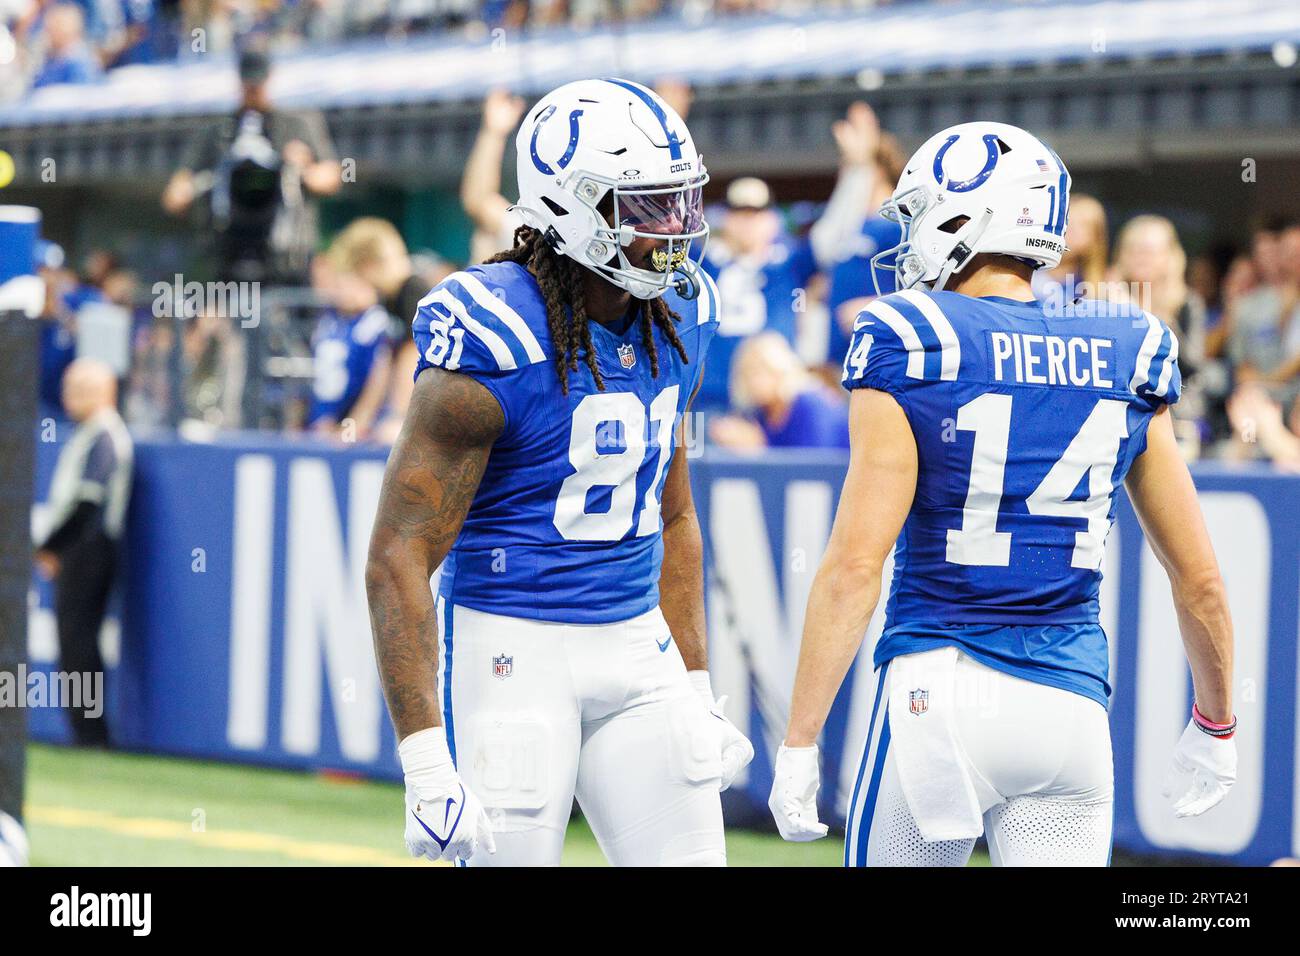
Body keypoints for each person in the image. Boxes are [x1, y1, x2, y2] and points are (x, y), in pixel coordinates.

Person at [768, 122, 1237, 866]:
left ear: (967, 218)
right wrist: (1217, 724)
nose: (911, 237)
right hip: (1070, 712)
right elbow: (1200, 580)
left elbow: (855, 567)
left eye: (922, 214)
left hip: (938, 691)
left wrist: (800, 740)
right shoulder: (1128, 344)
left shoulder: (912, 335)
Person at [366, 78, 753, 868]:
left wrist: (696, 684)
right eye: (647, 207)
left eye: (680, 201)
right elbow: (398, 553)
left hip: (638, 649)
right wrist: (425, 762)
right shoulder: (495, 331)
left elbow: (673, 513)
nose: (674, 229)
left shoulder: (683, 312)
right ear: (572, 208)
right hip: (513, 650)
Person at [161, 42, 341, 284]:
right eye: (248, 83)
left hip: (287, 255)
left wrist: (301, 167)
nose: (253, 90)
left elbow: (332, 177)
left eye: (258, 82)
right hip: (227, 253)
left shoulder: (296, 125)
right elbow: (175, 196)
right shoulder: (216, 133)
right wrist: (203, 183)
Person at [33, 359, 134, 747]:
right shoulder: (91, 433)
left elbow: (88, 502)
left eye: (80, 388)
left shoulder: (104, 435)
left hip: (89, 549)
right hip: (83, 548)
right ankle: (84, 729)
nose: (69, 396)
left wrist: (52, 546)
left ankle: (90, 733)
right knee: (74, 640)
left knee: (78, 641)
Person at [305, 248, 393, 441]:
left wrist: (353, 426)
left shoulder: (375, 323)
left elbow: (377, 382)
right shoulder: (329, 319)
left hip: (358, 428)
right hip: (323, 421)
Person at [709, 332, 849, 451]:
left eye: (761, 370)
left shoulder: (811, 404)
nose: (754, 382)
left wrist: (759, 447)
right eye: (747, 374)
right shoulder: (760, 412)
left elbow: (816, 465)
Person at [30, 3, 99, 90]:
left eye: (58, 24)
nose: (51, 29)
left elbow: (81, 94)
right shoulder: (52, 57)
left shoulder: (78, 63)